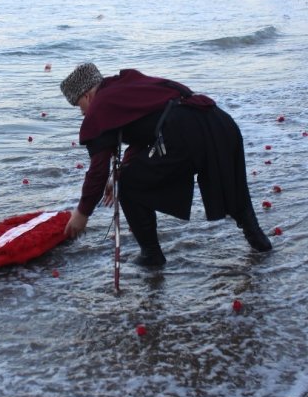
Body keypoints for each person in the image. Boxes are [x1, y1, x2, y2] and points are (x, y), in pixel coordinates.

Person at [60, 64, 272, 267]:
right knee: (235, 192)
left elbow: (98, 169)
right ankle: (261, 246)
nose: (83, 114)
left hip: (186, 130)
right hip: (219, 122)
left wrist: (82, 212)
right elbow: (146, 131)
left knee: (128, 184)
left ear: (87, 95)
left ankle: (151, 254)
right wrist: (123, 168)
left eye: (80, 106)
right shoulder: (125, 85)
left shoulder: (101, 105)